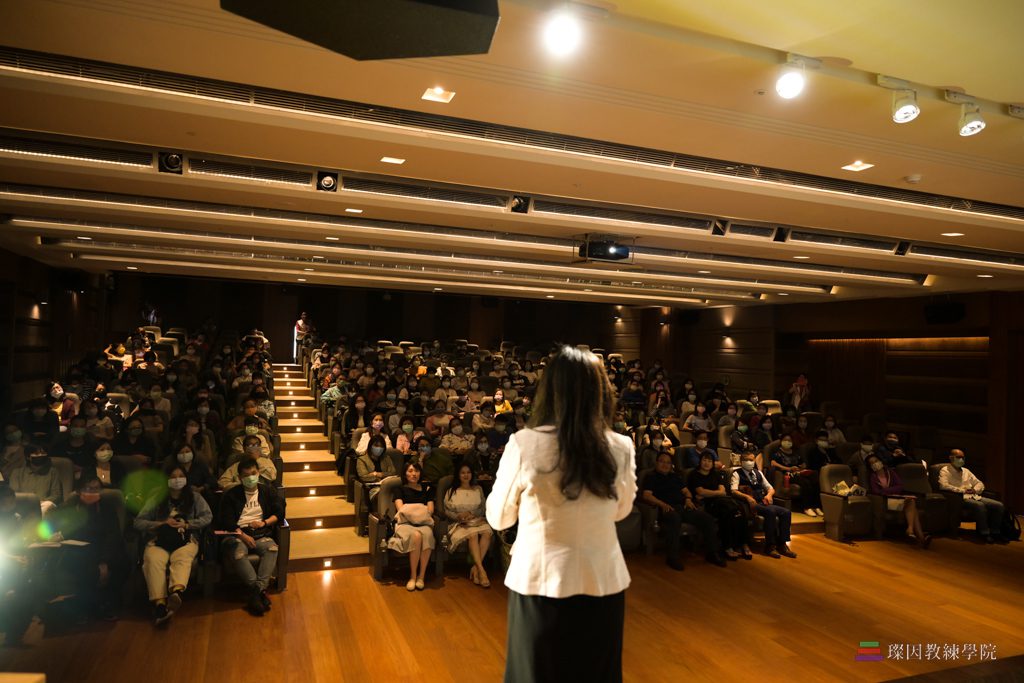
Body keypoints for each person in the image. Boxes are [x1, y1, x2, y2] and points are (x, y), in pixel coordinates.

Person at [486, 346, 635, 683]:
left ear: (550, 390)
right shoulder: (621, 446)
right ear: (600, 391)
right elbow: (621, 510)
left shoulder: (525, 443)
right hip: (604, 582)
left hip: (541, 581)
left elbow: (498, 518)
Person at [134, 465, 213, 625]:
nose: (177, 479)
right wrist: (161, 523)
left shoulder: (195, 497)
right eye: (173, 476)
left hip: (186, 539)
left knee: (182, 557)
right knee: (153, 560)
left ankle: (176, 591)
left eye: (180, 476)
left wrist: (187, 524)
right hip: (159, 539)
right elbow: (138, 522)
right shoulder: (156, 497)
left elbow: (207, 517)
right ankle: (160, 604)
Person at [48, 475, 130, 621]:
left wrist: (104, 563)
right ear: (79, 491)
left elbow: (113, 537)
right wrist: (55, 534)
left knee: (118, 564)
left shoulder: (107, 508)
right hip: (81, 550)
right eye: (88, 489)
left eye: (96, 489)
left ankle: (103, 606)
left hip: (106, 550)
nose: (92, 492)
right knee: (78, 563)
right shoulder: (72, 505)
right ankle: (85, 607)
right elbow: (55, 521)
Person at [216, 458, 283, 615]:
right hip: (236, 534)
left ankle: (256, 593)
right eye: (246, 475)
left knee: (272, 548)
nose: (251, 478)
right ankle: (259, 592)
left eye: (253, 473)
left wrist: (265, 523)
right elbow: (226, 522)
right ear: (240, 478)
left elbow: (280, 512)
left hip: (261, 533)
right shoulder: (231, 495)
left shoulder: (267, 491)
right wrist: (243, 536)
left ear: (258, 473)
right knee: (238, 553)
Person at [642, 451, 725, 570]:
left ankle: (712, 553)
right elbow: (646, 495)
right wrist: (662, 504)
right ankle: (672, 557)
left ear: (672, 465)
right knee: (674, 519)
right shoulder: (651, 477)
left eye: (668, 463)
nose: (665, 465)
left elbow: (687, 491)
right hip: (666, 509)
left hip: (682, 507)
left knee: (707, 519)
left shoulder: (675, 476)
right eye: (662, 462)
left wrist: (688, 499)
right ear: (656, 463)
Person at [730, 452, 797, 558]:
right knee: (771, 512)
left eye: (752, 460)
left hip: (763, 501)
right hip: (750, 503)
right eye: (747, 460)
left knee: (786, 512)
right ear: (742, 462)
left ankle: (782, 544)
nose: (749, 462)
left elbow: (770, 488)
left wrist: (769, 495)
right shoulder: (736, 473)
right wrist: (747, 497)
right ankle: (770, 546)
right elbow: (733, 491)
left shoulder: (758, 473)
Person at [938, 449, 1006, 543]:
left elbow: (979, 483)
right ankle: (984, 533)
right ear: (951, 458)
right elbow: (943, 485)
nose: (961, 459)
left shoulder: (966, 471)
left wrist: (975, 490)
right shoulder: (945, 470)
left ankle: (995, 532)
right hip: (961, 498)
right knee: (980, 506)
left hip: (974, 495)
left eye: (963, 457)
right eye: (958, 457)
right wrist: (963, 490)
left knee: (999, 506)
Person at [442, 463, 493, 588]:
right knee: (473, 535)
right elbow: (446, 510)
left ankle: (476, 569)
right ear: (458, 475)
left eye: (468, 472)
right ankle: (482, 571)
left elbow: (483, 507)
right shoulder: (451, 491)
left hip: (477, 520)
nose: (466, 475)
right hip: (459, 524)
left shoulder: (478, 489)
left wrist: (471, 513)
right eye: (463, 472)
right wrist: (459, 516)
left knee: (487, 532)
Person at [688, 452, 746, 561]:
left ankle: (739, 544)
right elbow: (700, 491)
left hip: (720, 501)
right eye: (704, 460)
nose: (707, 463)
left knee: (738, 510)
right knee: (728, 512)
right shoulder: (694, 474)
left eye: (710, 461)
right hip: (706, 504)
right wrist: (715, 493)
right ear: (700, 461)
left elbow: (722, 491)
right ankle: (727, 547)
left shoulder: (715, 474)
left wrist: (707, 493)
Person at [867, 455, 931, 548]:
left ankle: (914, 532)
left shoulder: (890, 472)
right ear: (870, 466)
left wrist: (886, 490)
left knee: (911, 502)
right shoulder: (873, 477)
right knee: (912, 505)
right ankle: (918, 536)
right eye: (872, 463)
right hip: (886, 502)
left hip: (897, 499)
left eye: (876, 460)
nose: (875, 464)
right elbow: (876, 491)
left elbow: (900, 486)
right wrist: (890, 490)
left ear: (880, 461)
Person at [389, 462, 436, 592]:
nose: (413, 474)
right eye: (410, 471)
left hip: (424, 523)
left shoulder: (427, 489)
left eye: (416, 471)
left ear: (420, 473)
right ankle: (413, 576)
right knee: (416, 536)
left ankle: (421, 576)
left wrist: (412, 509)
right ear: (405, 473)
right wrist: (421, 509)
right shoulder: (399, 490)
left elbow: (430, 510)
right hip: (405, 524)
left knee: (427, 535)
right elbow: (401, 510)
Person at [770, 436, 822, 517]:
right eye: (785, 440)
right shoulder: (777, 453)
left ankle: (816, 506)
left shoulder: (795, 452)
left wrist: (801, 467)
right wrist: (789, 468)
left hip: (798, 472)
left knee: (815, 480)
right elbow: (773, 463)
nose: (788, 442)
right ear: (781, 441)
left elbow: (803, 463)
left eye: (789, 440)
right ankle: (806, 507)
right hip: (788, 475)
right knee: (805, 482)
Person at [9, 446, 64, 515]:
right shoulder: (17, 473)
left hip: (44, 505)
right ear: (28, 457)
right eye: (36, 453)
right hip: (22, 506)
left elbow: (56, 494)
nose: (40, 455)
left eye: (43, 453)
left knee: (47, 505)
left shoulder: (53, 472)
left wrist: (39, 502)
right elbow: (14, 494)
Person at [356, 435, 397, 503]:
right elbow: (363, 476)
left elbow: (393, 473)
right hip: (373, 488)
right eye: (376, 446)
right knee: (383, 496)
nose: (379, 448)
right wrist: (377, 476)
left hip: (388, 486)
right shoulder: (362, 459)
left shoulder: (386, 458)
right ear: (370, 446)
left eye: (381, 447)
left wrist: (379, 474)